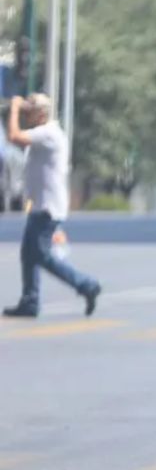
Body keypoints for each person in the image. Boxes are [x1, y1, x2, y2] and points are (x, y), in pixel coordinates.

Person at [3, 94, 100, 318]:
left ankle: (86, 285)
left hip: (48, 208)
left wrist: (15, 108)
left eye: (30, 112)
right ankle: (30, 301)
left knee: (41, 255)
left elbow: (13, 136)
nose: (27, 116)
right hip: (41, 206)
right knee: (29, 255)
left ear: (42, 114)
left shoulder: (48, 133)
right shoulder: (44, 133)